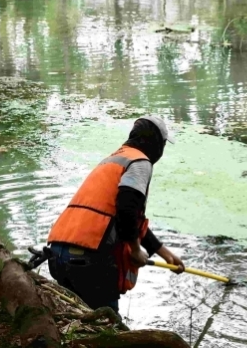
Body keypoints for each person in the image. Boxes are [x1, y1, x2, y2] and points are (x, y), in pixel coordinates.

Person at [47, 116, 185, 313]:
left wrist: (165, 254)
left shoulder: (113, 159)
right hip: (89, 258)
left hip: (59, 251)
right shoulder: (140, 162)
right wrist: (135, 249)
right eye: (163, 143)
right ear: (156, 142)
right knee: (107, 324)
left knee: (75, 317)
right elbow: (126, 209)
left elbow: (124, 218)